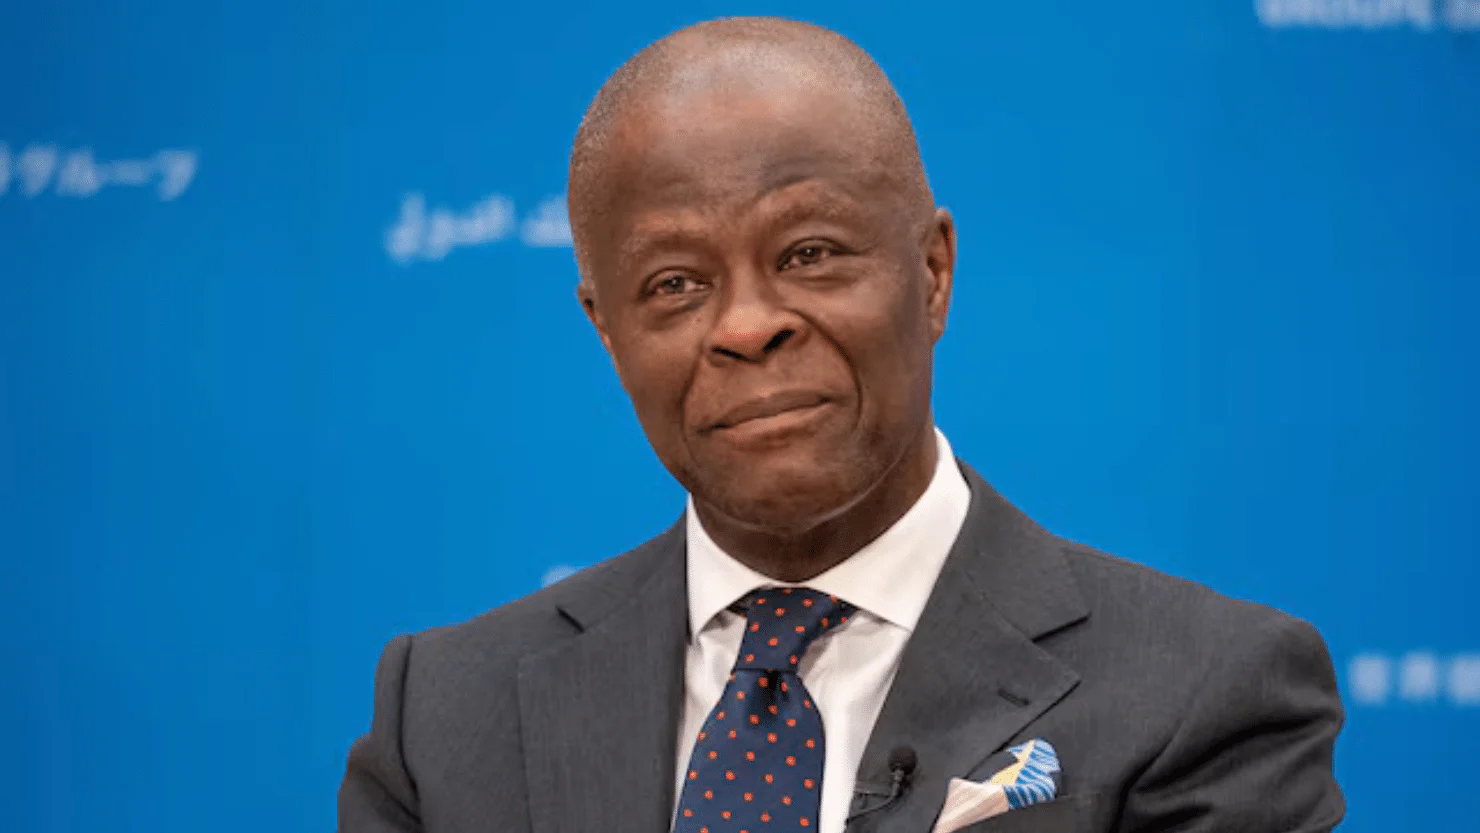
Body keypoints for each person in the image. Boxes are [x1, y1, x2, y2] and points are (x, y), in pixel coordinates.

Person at [339, 17, 1344, 833]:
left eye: (809, 253)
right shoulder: (443, 716)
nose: (746, 326)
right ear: (606, 329)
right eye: (675, 283)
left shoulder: (1204, 690)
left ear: (932, 273)